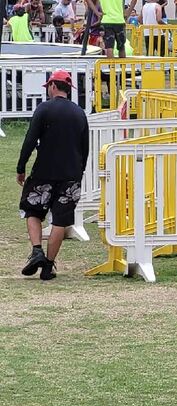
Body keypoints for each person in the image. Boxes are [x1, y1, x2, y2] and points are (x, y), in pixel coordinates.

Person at [17, 70, 88, 280]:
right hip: (71, 174)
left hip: (44, 171)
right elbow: (85, 148)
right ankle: (48, 266)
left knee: (32, 210)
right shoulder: (79, 113)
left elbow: (30, 140)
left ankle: (37, 250)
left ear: (53, 86)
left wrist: (21, 167)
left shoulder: (44, 109)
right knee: (60, 220)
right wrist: (79, 172)